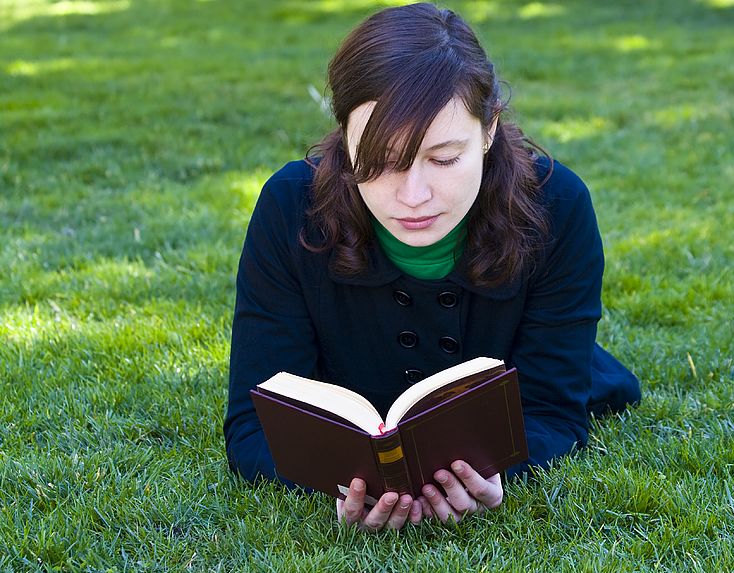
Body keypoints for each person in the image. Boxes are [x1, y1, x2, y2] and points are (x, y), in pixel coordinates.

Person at [223, 2, 640, 531]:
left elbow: (554, 413)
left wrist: (505, 472)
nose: (413, 196)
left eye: (443, 159)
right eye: (377, 162)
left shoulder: (556, 205)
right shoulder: (291, 208)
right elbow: (252, 426)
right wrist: (337, 485)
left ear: (488, 130)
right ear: (344, 137)